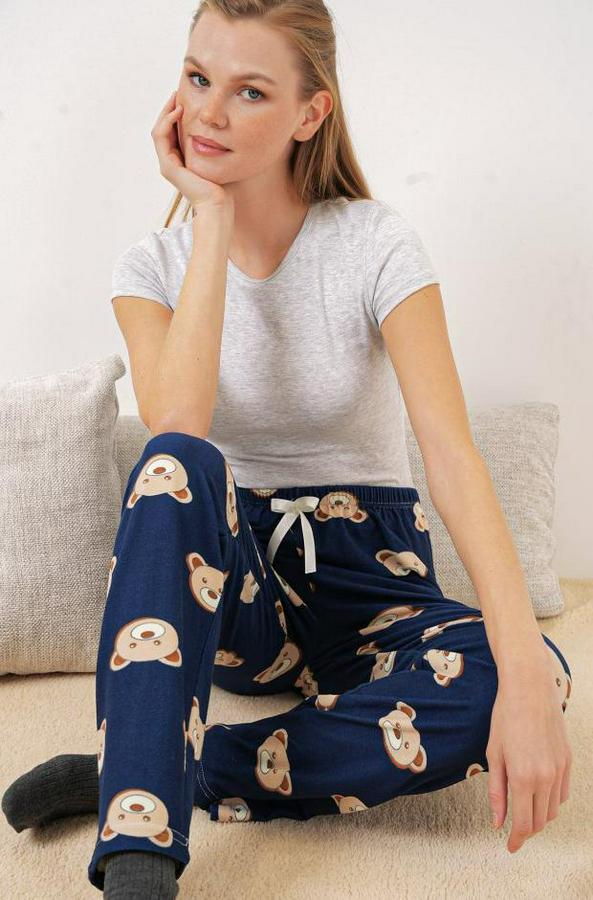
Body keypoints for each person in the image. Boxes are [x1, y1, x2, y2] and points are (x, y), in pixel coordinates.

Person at [2, 2, 573, 897]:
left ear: (311, 113)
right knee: (175, 462)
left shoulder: (375, 243)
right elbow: (178, 423)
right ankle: (139, 851)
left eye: (250, 91)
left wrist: (529, 681)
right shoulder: (151, 267)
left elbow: (451, 455)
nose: (208, 112)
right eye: (198, 78)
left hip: (375, 583)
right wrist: (209, 216)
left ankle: (151, 766)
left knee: (519, 678)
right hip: (234, 589)